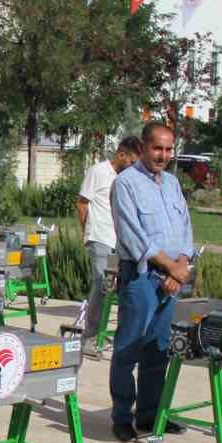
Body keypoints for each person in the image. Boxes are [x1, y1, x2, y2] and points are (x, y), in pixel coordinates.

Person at [108, 122, 194, 442]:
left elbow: (186, 227)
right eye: (158, 148)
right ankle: (121, 416)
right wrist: (172, 268)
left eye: (169, 149)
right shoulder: (126, 184)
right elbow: (134, 238)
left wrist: (180, 265)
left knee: (158, 350)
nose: (163, 155)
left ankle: (150, 415)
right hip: (142, 278)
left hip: (171, 278)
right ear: (143, 147)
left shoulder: (171, 184)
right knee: (128, 348)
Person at [77, 136, 141, 355]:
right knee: (102, 285)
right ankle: (89, 338)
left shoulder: (126, 179)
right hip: (99, 237)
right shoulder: (98, 171)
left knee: (120, 288)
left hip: (119, 241)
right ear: (121, 155)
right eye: (132, 161)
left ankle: (112, 337)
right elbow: (82, 203)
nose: (133, 166)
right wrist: (86, 232)